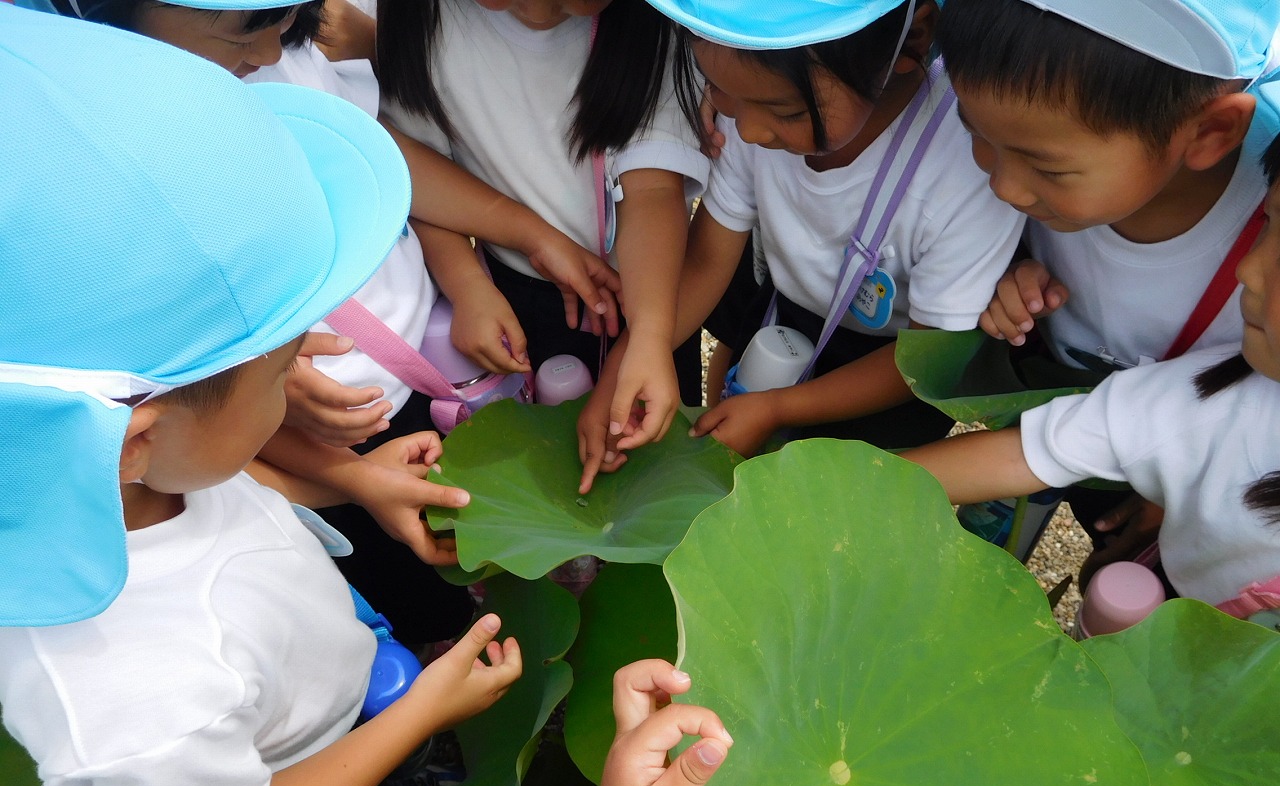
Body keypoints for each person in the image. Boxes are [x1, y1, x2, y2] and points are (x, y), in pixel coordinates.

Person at [0, 11, 731, 786]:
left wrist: (353, 484)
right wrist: (422, 709)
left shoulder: (137, 470)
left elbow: (223, 507)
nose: (314, 367)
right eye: (282, 371)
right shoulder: (129, 691)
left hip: (324, 684)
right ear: (138, 432)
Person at [27, 0, 630, 650]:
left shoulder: (283, 52)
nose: (268, 53)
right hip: (299, 430)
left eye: (285, 24)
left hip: (399, 387)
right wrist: (280, 391)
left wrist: (508, 245)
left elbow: (370, 153)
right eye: (244, 29)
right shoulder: (100, 176)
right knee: (419, 605)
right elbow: (197, 418)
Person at [576, 0, 1024, 490]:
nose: (746, 131)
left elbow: (926, 360)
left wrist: (776, 408)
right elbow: (706, 260)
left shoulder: (969, 170)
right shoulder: (756, 88)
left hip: (889, 364)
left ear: (914, 39)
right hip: (784, 305)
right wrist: (630, 362)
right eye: (721, 92)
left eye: (784, 110)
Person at [934, 0, 1280, 571]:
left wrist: (1180, 486)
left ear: (1211, 131)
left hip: (1160, 472)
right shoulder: (1049, 132)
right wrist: (1008, 268)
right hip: (1040, 416)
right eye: (977, 136)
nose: (1004, 188)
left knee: (1117, 568)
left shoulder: (1267, 246)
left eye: (1048, 170)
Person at [900, 127, 1280, 622]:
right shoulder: (1212, 397)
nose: (1249, 269)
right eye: (1269, 223)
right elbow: (1030, 452)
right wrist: (850, 485)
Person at [376, 0, 711, 454]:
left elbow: (653, 191)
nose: (536, 9)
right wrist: (468, 286)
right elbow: (414, 174)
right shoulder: (421, 16)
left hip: (648, 291)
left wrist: (650, 337)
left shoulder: (656, 24)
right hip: (505, 296)